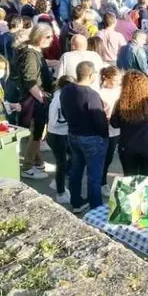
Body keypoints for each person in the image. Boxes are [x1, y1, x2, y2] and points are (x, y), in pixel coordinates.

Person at [60, 61, 109, 213]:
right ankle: (96, 210)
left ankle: (76, 202)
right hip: (92, 138)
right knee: (94, 176)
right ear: (91, 75)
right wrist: (105, 134)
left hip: (73, 134)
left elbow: (64, 110)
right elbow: (98, 119)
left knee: (76, 171)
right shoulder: (91, 95)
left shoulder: (66, 89)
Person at [15, 24, 55, 180]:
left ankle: (37, 161)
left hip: (36, 96)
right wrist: (43, 98)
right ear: (39, 37)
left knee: (37, 131)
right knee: (37, 132)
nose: (51, 40)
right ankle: (27, 167)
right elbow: (30, 81)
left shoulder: (34, 52)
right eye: (48, 37)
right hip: (33, 98)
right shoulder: (30, 55)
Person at [110, 71, 148, 176]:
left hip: (127, 145)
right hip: (147, 144)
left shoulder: (120, 102)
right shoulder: (147, 101)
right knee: (147, 178)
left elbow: (114, 123)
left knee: (129, 178)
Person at [47, 75, 75, 204]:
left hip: (61, 134)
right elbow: (56, 120)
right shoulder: (59, 99)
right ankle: (60, 192)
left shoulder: (61, 96)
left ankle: (58, 182)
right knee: (61, 163)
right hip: (57, 135)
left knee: (73, 158)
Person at [98, 66, 122, 193]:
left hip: (119, 129)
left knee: (112, 157)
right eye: (115, 80)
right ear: (106, 78)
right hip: (106, 130)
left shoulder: (121, 90)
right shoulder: (100, 93)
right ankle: (102, 183)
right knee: (105, 159)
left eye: (119, 80)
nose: (118, 83)